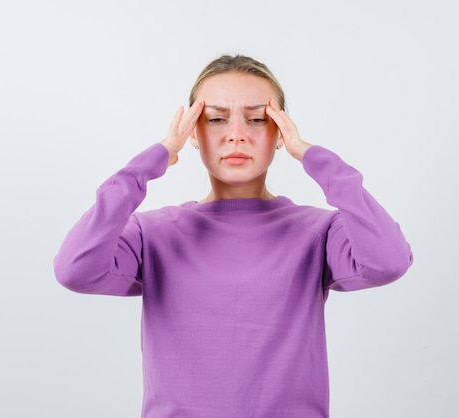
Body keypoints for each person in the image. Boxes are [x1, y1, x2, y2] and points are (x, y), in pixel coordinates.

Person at [54, 54, 413, 418]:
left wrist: (311, 156)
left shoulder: (317, 232)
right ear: (192, 133)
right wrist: (153, 160)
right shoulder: (153, 234)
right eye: (216, 119)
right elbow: (75, 269)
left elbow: (388, 262)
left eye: (257, 119)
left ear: (280, 133)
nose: (237, 133)